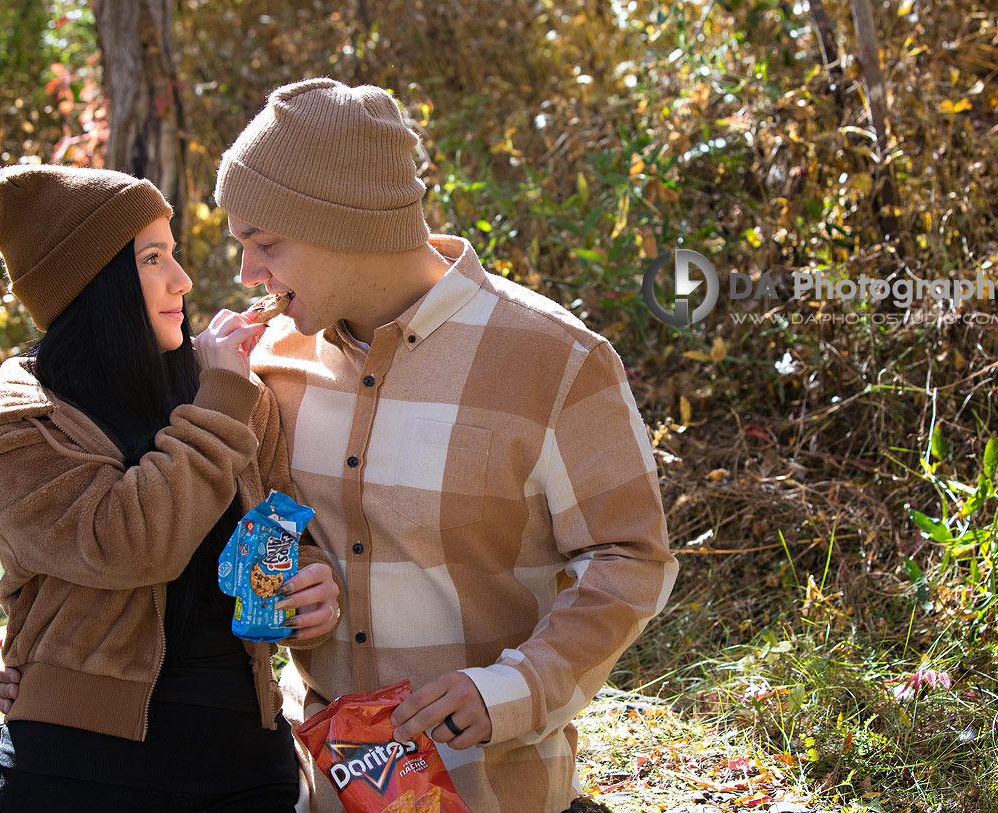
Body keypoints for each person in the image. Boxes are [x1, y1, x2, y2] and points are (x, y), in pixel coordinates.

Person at [215, 78, 679, 812]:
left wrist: (513, 689)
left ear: (347, 225)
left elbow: (630, 558)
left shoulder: (555, 359)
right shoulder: (265, 363)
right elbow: (251, 526)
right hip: (323, 794)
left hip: (497, 790)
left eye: (264, 242)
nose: (248, 274)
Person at [0, 164, 342, 812]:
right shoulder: (13, 431)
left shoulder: (231, 395)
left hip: (245, 762)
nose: (182, 279)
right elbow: (129, 542)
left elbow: (274, 530)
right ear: (93, 283)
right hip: (80, 772)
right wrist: (220, 399)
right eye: (153, 258)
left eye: (173, 254)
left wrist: (311, 588)